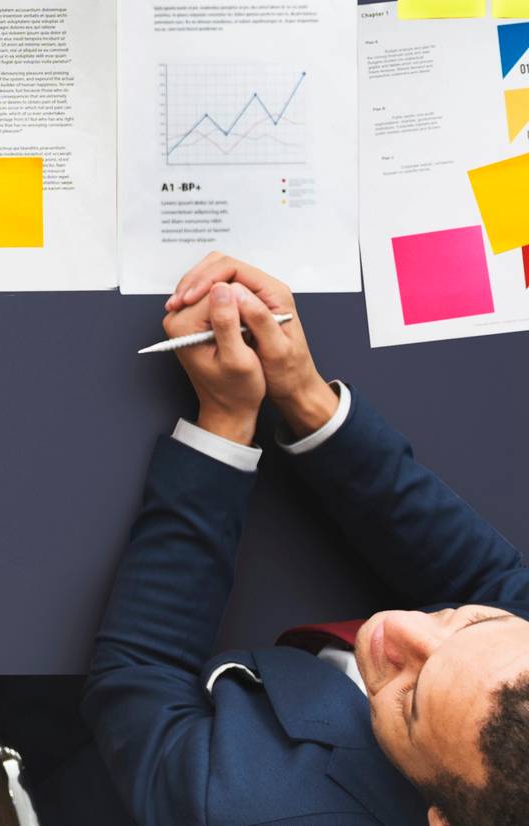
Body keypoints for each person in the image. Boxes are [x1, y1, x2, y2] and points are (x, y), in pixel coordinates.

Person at [85, 252, 529, 825]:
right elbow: (489, 581)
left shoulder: (238, 805)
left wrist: (225, 421)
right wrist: (304, 396)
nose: (397, 624)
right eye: (473, 623)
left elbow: (139, 672)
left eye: (413, 698)